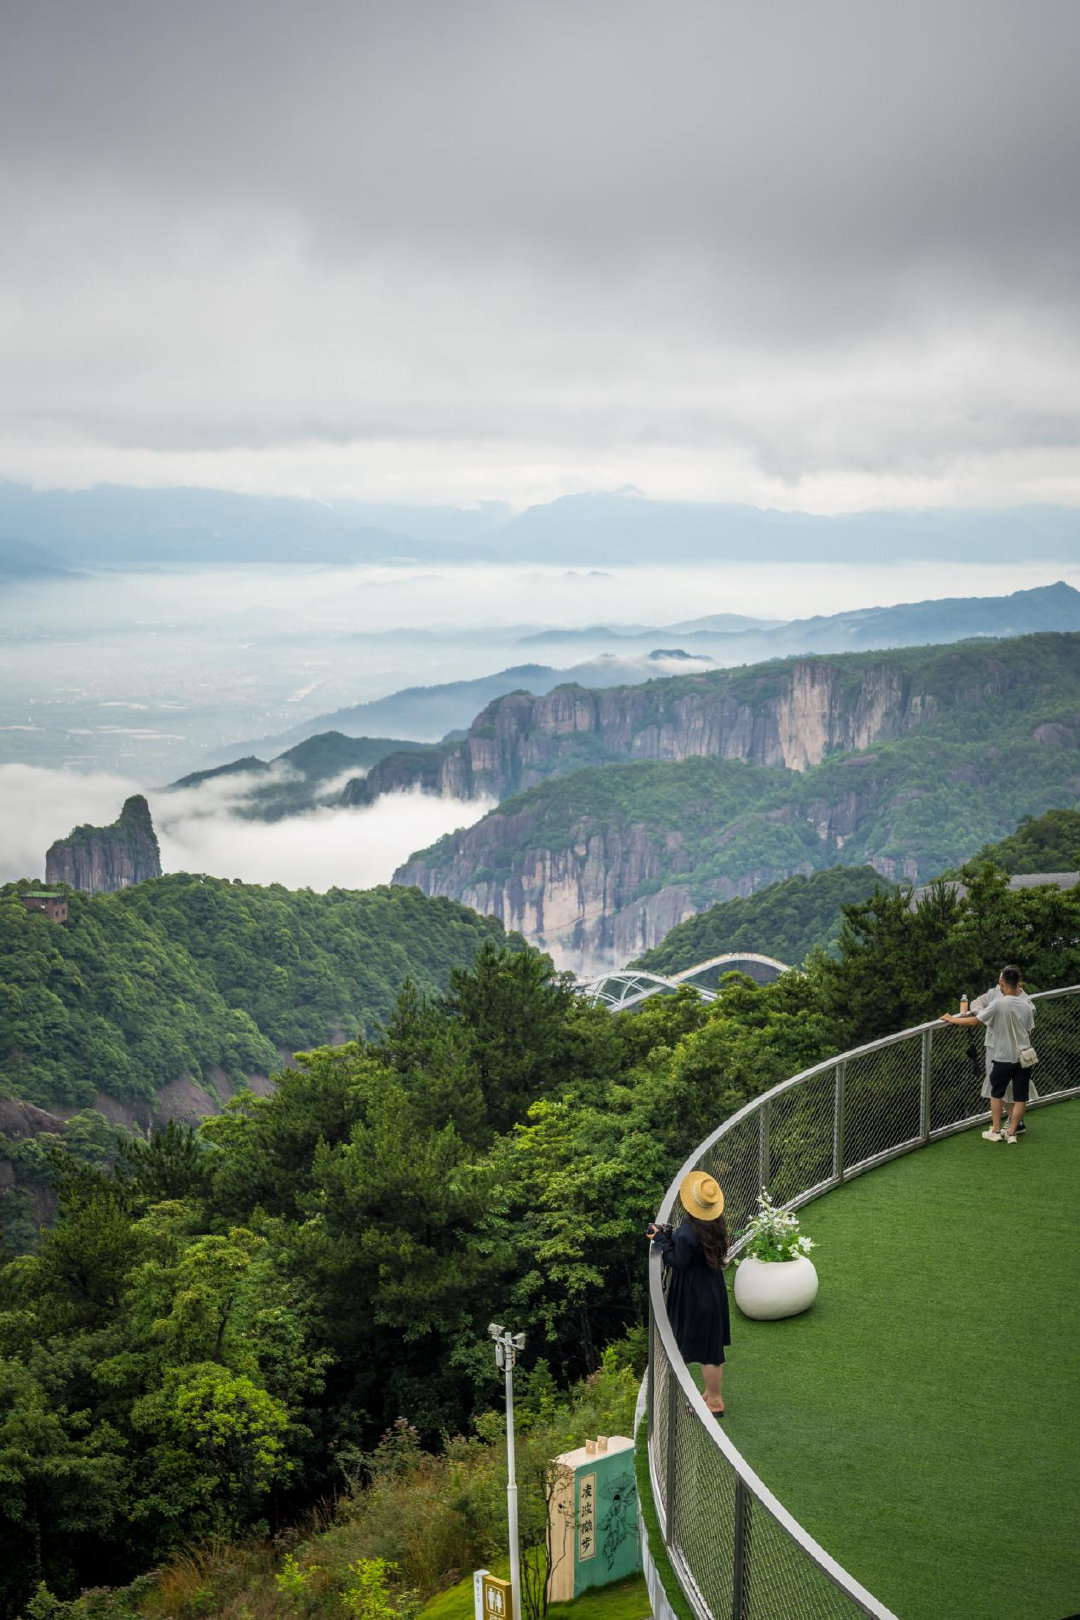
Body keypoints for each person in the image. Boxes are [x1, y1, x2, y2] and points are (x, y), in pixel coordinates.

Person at [646, 1170, 730, 1416]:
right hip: (712, 1288)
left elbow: (678, 1261)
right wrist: (670, 1235)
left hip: (696, 1294)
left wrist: (661, 1240)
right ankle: (709, 1394)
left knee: (709, 1353)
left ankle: (715, 1402)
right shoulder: (715, 1224)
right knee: (711, 1347)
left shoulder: (689, 1231)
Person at [942, 966, 1035, 1143]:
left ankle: (996, 1130)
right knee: (1021, 1096)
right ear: (1018, 983)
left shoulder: (999, 1003)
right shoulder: (1026, 1004)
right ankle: (1012, 1132)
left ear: (1002, 982)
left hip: (1002, 1055)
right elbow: (1029, 1032)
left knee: (996, 1092)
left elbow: (975, 1020)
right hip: (1024, 1056)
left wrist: (953, 1019)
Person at [969, 965, 1037, 1134]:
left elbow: (1028, 1024)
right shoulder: (993, 993)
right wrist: (983, 1013)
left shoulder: (1024, 999)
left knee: (1014, 1087)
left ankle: (1013, 1123)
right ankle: (1015, 1122)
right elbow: (976, 1003)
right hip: (994, 1045)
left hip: (1014, 1050)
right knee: (996, 1084)